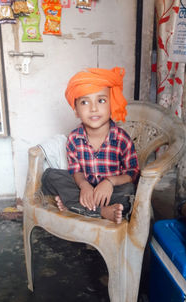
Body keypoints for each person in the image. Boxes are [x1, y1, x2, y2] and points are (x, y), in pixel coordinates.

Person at [41, 67, 139, 224]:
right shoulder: (74, 138)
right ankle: (101, 212)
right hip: (83, 191)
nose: (93, 108)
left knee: (129, 191)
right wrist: (84, 185)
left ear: (111, 104)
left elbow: (132, 173)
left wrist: (110, 182)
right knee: (50, 176)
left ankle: (74, 207)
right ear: (76, 111)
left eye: (101, 100)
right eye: (85, 102)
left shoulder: (122, 139)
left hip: (110, 193)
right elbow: (76, 170)